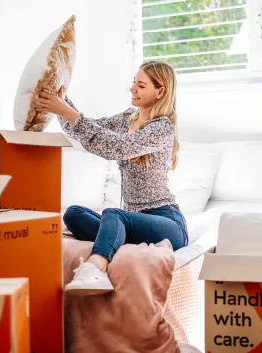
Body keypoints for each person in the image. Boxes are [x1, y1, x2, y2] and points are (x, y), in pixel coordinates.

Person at [34, 60, 188, 296]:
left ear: (161, 91)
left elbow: (115, 146)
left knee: (113, 214)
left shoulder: (162, 127)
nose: (133, 89)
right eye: (133, 83)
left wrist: (65, 110)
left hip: (166, 221)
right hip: (132, 220)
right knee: (73, 213)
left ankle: (96, 268)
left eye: (141, 85)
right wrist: (61, 101)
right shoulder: (128, 118)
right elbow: (88, 128)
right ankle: (122, 241)